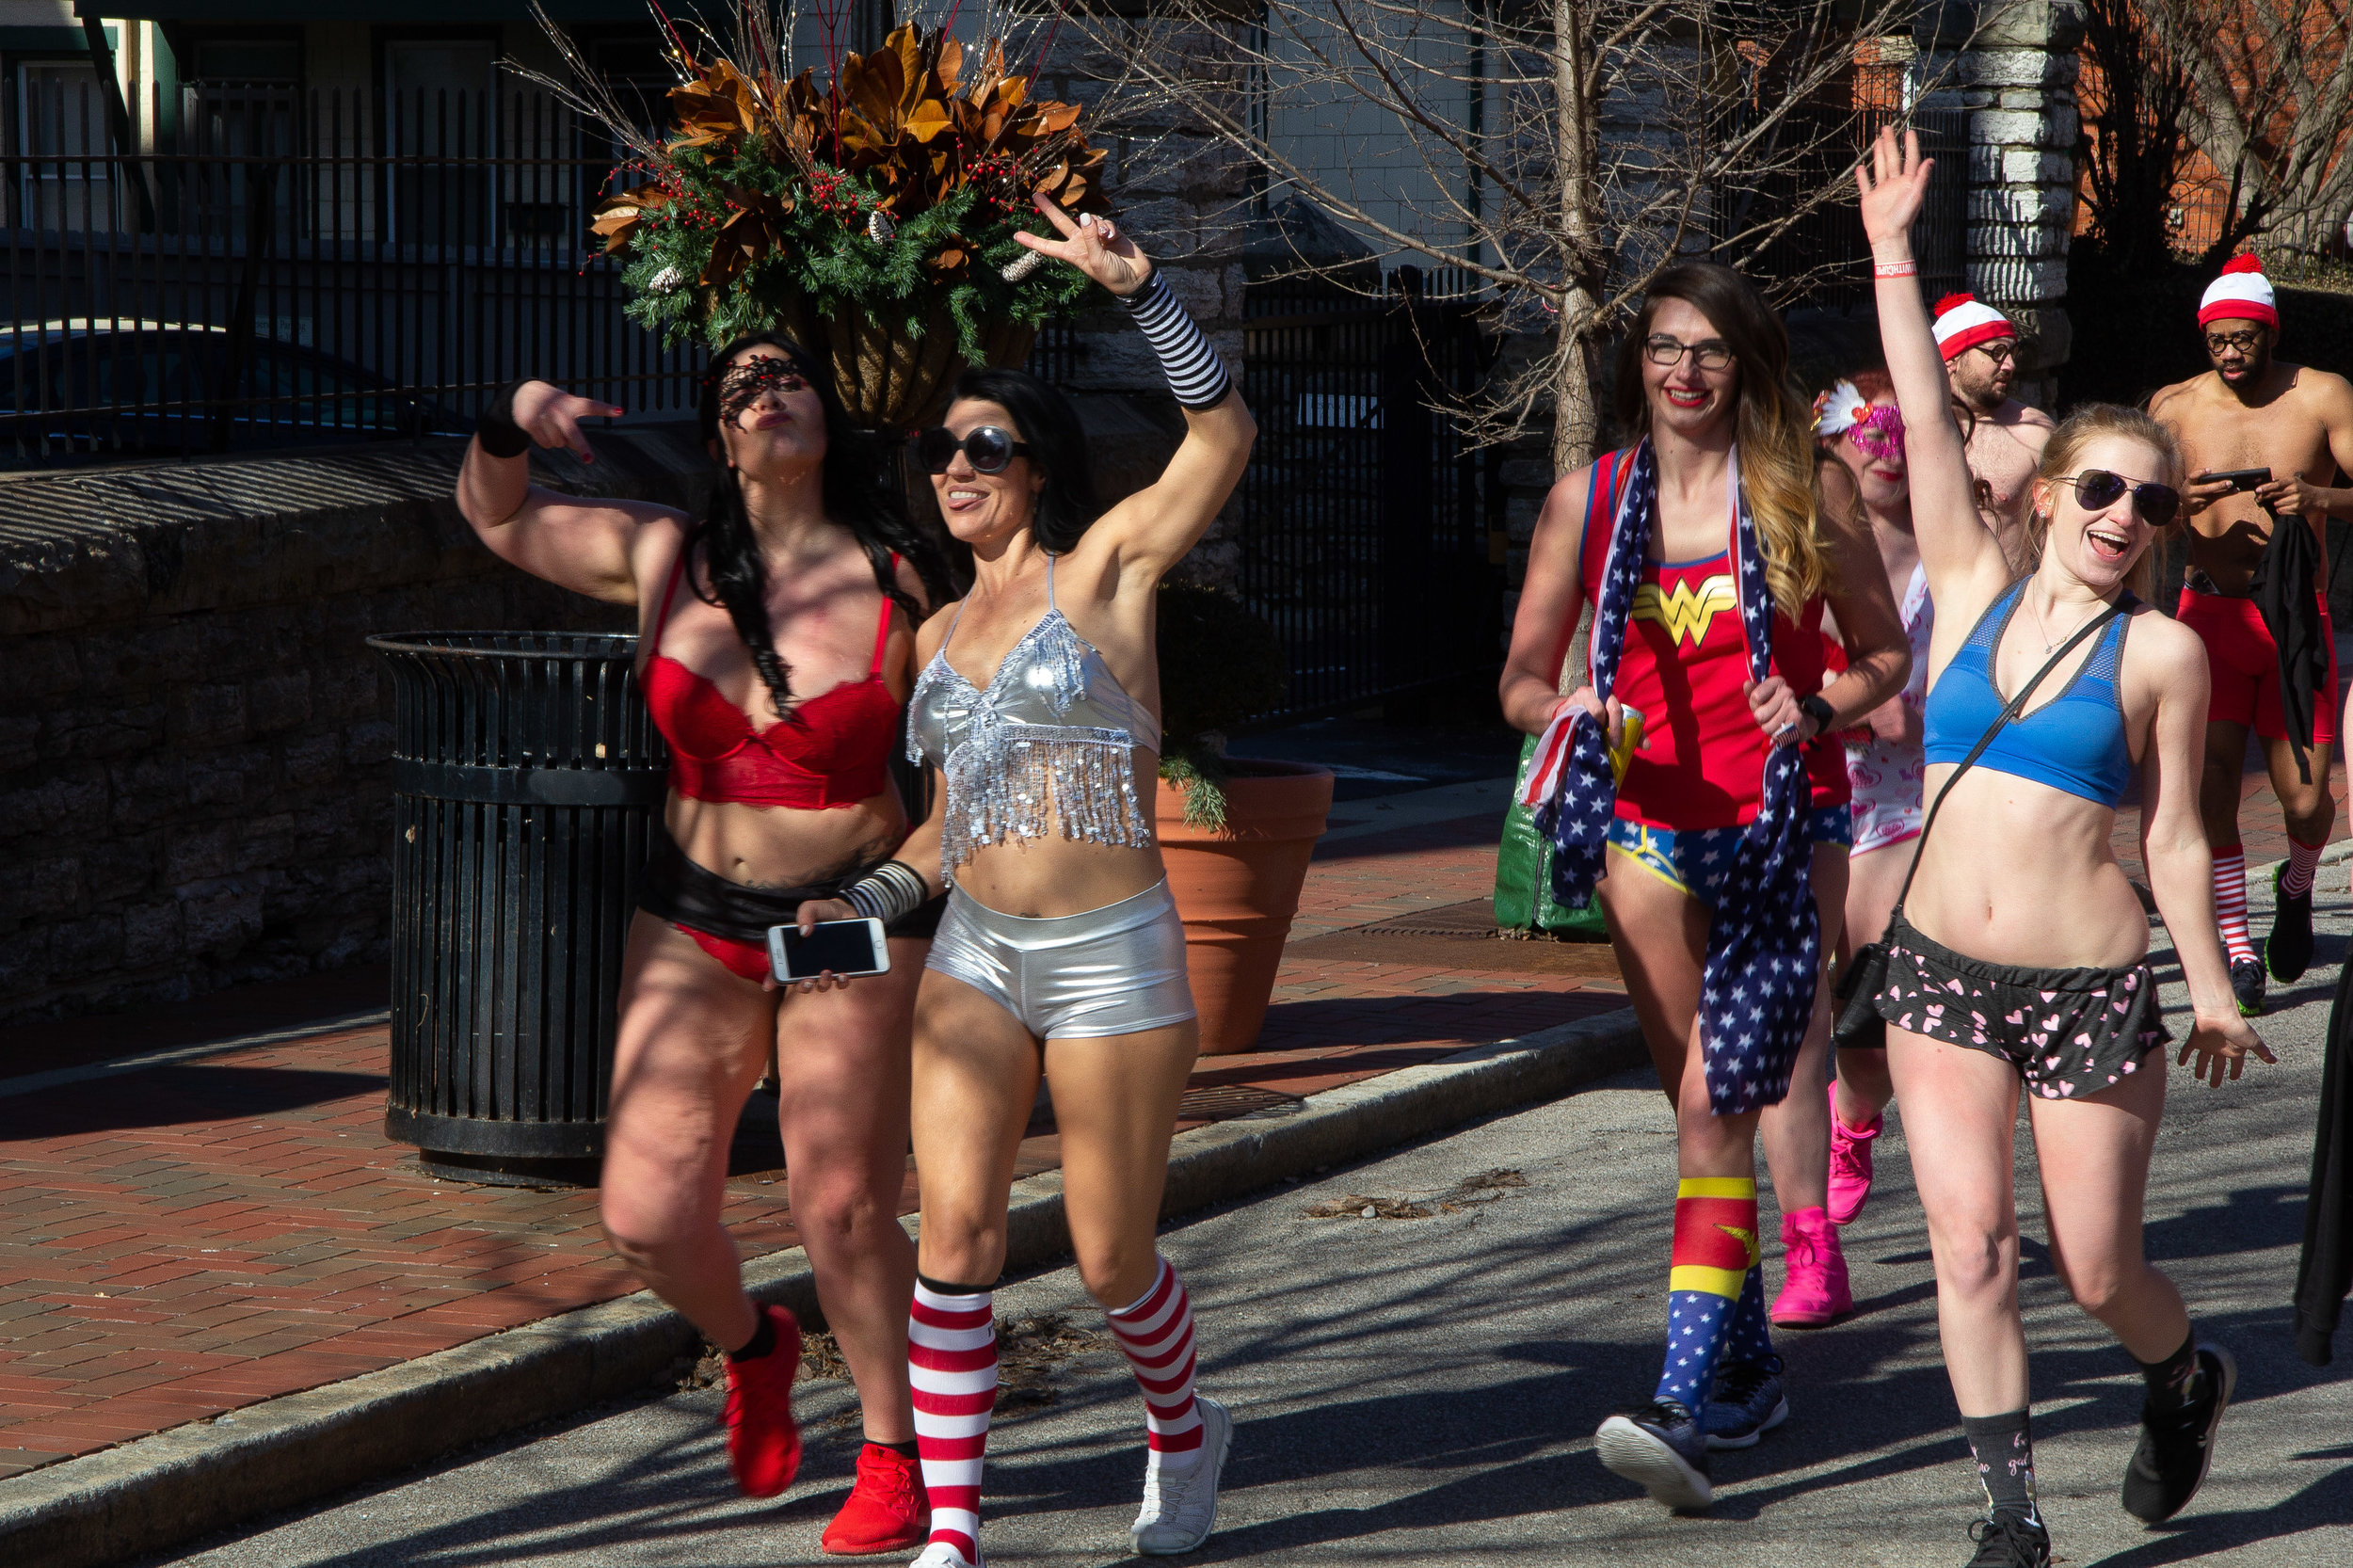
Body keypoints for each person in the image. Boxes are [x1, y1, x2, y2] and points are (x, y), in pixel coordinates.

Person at [786, 199, 1255, 1568]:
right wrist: (866, 903)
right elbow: (944, 827)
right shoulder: (935, 629)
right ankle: (953, 1530)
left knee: (1112, 1256)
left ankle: (1183, 1425)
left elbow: (1219, 441)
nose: (956, 466)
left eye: (984, 446)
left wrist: (1145, 288)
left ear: (1038, 467)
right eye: (940, 450)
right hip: (980, 952)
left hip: (1116, 951)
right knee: (959, 1232)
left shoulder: (1106, 567)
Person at [454, 341, 953, 1555]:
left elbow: (959, 794)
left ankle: (893, 1452)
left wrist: (889, 894)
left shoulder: (903, 583)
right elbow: (497, 518)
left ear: (827, 418)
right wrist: (511, 416)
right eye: (736, 389)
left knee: (838, 1204)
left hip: (847, 923)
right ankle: (753, 1345)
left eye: (786, 376)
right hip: (692, 923)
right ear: (719, 439)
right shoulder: (664, 554)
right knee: (644, 1214)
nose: (764, 394)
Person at [1859, 127, 2272, 1568]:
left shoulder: (2162, 652)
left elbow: (2172, 833)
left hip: (2090, 989)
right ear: (2048, 494)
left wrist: (2213, 981)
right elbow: (1920, 415)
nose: (2122, 518)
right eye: (2100, 490)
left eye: (2151, 504)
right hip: (1939, 977)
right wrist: (1894, 250)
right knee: (1970, 1247)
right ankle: (2011, 1519)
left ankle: (2183, 1376)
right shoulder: (1968, 582)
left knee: (2099, 1270)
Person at [1502, 262, 1910, 1508]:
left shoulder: (1805, 489)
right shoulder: (1592, 497)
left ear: (1748, 368)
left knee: (1708, 1108)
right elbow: (1518, 679)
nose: (1684, 372)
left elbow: (1887, 653)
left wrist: (1823, 697)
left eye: (1711, 352)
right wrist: (1569, 701)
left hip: (1785, 825)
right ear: (1640, 362)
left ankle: (1687, 1395)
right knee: (1703, 1116)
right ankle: (1746, 1364)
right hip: (1647, 832)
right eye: (1667, 348)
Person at [2151, 253, 2353, 1016]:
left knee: (2305, 802)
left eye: (2244, 339)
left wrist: (2316, 498)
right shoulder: (2174, 406)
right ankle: (2238, 950)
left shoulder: (2322, 394)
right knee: (2211, 788)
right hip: (2205, 617)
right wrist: (2174, 506)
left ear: (2270, 332)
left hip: (2295, 620)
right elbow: (2132, 513)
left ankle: (2297, 883)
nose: (2230, 354)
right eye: (2217, 342)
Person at [1812, 372, 1933, 1230]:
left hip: (1905, 798)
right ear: (1834, 441)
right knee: (1808, 993)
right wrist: (1841, 691)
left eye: (1899, 434)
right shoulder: (1797, 547)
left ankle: (1853, 1121)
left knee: (1865, 988)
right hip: (1809, 787)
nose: (1884, 453)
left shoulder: (1952, 556)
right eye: (1869, 434)